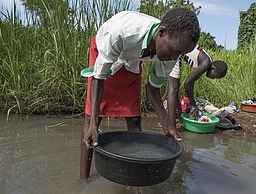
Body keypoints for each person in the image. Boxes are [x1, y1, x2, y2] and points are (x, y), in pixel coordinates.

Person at [79, 8, 200, 180]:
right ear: (161, 32)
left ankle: (135, 177)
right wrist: (92, 123)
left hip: (132, 60)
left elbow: (152, 89)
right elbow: (99, 77)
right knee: (93, 120)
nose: (175, 57)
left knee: (134, 119)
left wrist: (167, 125)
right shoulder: (122, 32)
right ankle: (83, 180)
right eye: (173, 51)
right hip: (106, 52)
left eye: (180, 54)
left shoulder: (173, 51)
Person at [167, 45, 228, 127]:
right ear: (213, 69)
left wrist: (193, 104)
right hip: (176, 51)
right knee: (173, 90)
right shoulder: (205, 64)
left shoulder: (207, 62)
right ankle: (171, 126)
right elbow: (187, 84)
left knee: (175, 90)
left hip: (178, 53)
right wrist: (193, 105)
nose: (212, 78)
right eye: (214, 76)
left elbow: (191, 83)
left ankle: (180, 119)